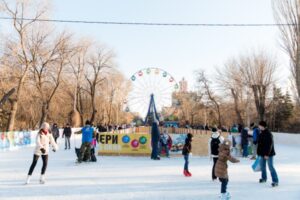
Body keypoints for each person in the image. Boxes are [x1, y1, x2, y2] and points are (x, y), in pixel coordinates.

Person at [257, 120, 279, 187]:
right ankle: (264, 178)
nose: (258, 126)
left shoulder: (268, 134)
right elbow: (260, 144)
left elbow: (269, 145)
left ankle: (275, 181)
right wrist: (259, 153)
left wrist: (267, 154)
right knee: (263, 167)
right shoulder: (261, 133)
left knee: (271, 167)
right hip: (262, 153)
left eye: (259, 125)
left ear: (262, 126)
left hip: (268, 154)